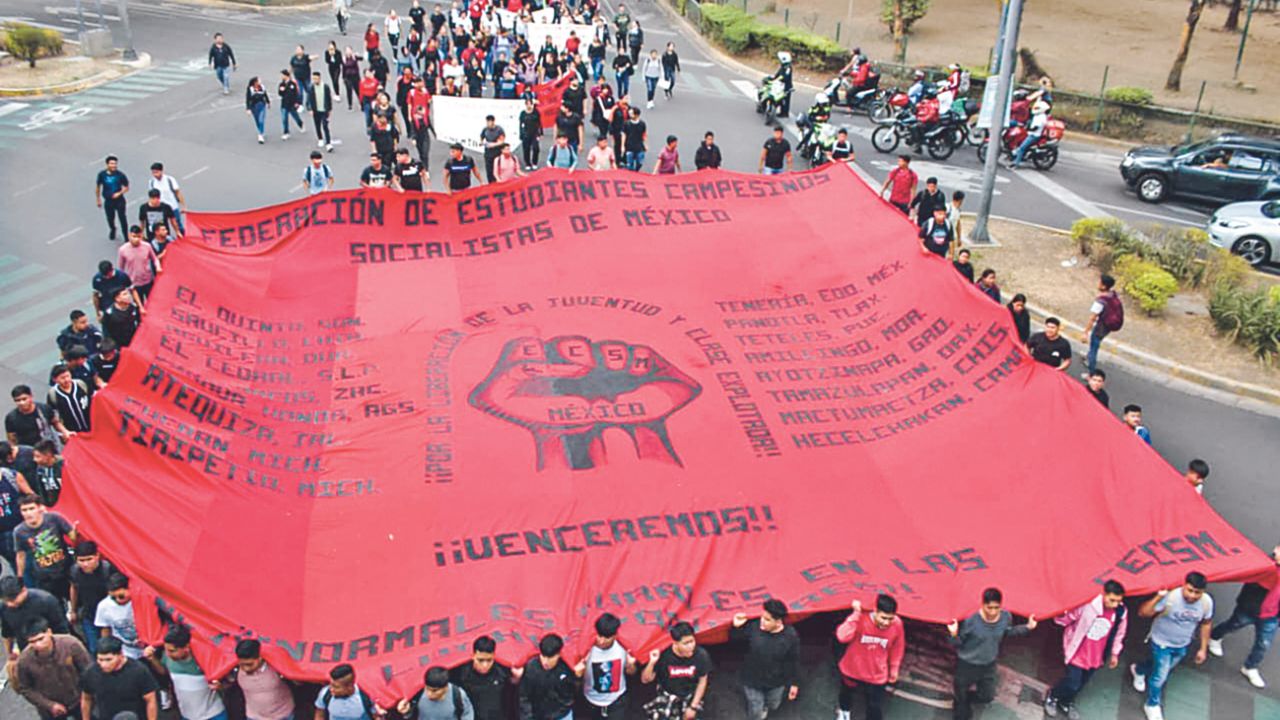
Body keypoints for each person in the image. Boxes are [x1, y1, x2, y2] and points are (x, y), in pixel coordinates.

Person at [1131, 572, 1213, 720]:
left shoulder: (1206, 603)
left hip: (1182, 644)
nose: (1193, 596)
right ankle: (1152, 704)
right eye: (1190, 590)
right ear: (1184, 585)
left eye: (1197, 593)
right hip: (1161, 642)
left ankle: (1139, 669)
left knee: (1164, 667)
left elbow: (1206, 624)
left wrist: (1203, 648)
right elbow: (1143, 612)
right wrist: (1158, 597)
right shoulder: (1171, 598)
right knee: (1160, 676)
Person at [946, 587, 1036, 720]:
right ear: (983, 605)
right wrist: (953, 634)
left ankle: (966, 699)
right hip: (967, 664)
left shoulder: (1006, 616)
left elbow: (1007, 632)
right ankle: (961, 705)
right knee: (961, 704)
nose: (993, 612)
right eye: (990, 608)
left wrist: (1027, 627)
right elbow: (957, 643)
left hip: (989, 664)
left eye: (996, 608)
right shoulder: (970, 621)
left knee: (987, 696)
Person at [1207, 542, 1280, 688]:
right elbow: (1251, 581)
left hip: (1271, 615)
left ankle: (1250, 667)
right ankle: (1215, 636)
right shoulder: (1265, 566)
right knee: (1233, 624)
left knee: (1263, 644)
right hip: (1250, 609)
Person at [834, 595, 904, 720]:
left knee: (874, 706)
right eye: (883, 618)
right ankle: (844, 713)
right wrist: (856, 614)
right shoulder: (860, 618)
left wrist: (894, 668)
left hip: (876, 674)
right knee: (846, 693)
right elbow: (842, 636)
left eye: (890, 619)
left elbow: (897, 647)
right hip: (852, 669)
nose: (886, 623)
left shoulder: (897, 624)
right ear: (875, 611)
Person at [731, 599, 799, 720]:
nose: (762, 621)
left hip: (776, 682)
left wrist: (794, 683)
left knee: (773, 704)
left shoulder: (790, 636)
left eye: (767, 620)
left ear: (778, 622)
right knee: (756, 710)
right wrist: (736, 627)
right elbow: (735, 641)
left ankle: (766, 708)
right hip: (752, 680)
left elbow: (793, 660)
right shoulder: (754, 627)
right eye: (762, 617)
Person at [16, 616, 92, 720]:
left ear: (49, 632)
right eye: (32, 642)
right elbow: (25, 688)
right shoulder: (24, 661)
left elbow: (88, 671)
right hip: (51, 709)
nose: (38, 645)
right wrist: (49, 705)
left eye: (40, 639)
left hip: (80, 699)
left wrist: (86, 697)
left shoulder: (70, 644)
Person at [144, 625, 226, 720]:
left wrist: (220, 686)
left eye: (172, 651)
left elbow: (224, 681)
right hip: (187, 716)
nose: (167, 654)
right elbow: (164, 671)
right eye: (166, 650)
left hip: (213, 715)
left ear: (186, 647)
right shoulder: (168, 657)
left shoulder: (203, 659)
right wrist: (152, 659)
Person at [641, 622, 711, 720]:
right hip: (667, 697)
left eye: (692, 641)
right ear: (675, 643)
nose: (691, 646)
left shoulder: (701, 655)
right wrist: (652, 662)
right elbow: (645, 680)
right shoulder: (665, 655)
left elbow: (702, 681)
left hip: (690, 697)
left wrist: (693, 707)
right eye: (685, 643)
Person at [80, 636, 159, 720]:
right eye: (100, 660)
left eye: (108, 659)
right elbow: (86, 699)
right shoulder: (91, 672)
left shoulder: (139, 671)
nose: (104, 664)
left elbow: (150, 700)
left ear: (120, 654)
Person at [12, 495, 76, 596]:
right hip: (44, 576)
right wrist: (20, 577)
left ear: (39, 508)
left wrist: (74, 531)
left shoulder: (54, 518)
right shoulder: (19, 531)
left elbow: (72, 537)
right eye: (24, 510)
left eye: (31, 508)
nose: (28, 513)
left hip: (65, 568)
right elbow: (20, 555)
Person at [217, 638, 294, 720]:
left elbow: (295, 679)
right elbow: (227, 683)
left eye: (249, 664)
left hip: (283, 715)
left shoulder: (277, 666)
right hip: (254, 717)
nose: (245, 668)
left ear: (259, 658)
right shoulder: (234, 669)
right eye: (241, 664)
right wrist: (219, 685)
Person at [579, 613, 636, 718]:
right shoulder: (585, 650)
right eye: (599, 636)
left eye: (606, 638)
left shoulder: (623, 648)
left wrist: (631, 665)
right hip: (590, 701)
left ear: (614, 636)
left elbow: (631, 672)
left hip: (617, 702)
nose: (601, 641)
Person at [451, 635, 520, 720]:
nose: (485, 665)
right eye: (480, 660)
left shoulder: (503, 672)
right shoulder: (460, 673)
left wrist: (518, 680)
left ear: (494, 656)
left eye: (489, 660)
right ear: (473, 655)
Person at [2, 576, 71, 655]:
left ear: (24, 590)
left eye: (13, 599)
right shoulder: (4, 608)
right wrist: (10, 653)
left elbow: (62, 629)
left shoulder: (46, 601)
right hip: (27, 652)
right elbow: (7, 633)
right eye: (6, 601)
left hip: (52, 649)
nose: (10, 604)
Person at [69, 541, 114, 654]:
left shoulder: (107, 569)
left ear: (97, 556)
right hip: (89, 615)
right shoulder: (75, 571)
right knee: (94, 649)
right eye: (81, 560)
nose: (85, 564)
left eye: (89, 559)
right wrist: (73, 610)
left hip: (109, 617)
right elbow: (74, 588)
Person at [519, 634, 575, 720]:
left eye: (550, 657)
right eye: (543, 656)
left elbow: (569, 698)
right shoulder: (531, 668)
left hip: (560, 715)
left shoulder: (566, 669)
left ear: (558, 654)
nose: (545, 661)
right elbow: (524, 696)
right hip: (536, 715)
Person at [1080, 274, 1121, 377]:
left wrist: (1085, 333)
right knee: (1095, 343)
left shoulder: (1100, 301)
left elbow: (1092, 318)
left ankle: (1091, 373)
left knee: (1094, 346)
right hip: (1108, 326)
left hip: (1101, 327)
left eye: (1099, 282)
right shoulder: (1112, 295)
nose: (1097, 284)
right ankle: (1088, 356)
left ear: (1103, 286)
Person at [396, 666, 474, 720]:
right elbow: (411, 714)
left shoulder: (457, 694)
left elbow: (467, 713)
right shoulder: (418, 692)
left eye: (434, 691)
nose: (429, 693)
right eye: (427, 688)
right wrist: (406, 712)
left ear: (445, 687)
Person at [94, 574, 142, 660]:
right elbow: (105, 629)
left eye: (121, 596)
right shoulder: (104, 606)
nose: (118, 600)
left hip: (147, 648)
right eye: (113, 598)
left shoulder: (142, 600)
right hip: (124, 650)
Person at [317, 663, 382, 720]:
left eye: (336, 687)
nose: (331, 689)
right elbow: (320, 715)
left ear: (349, 687)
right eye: (330, 684)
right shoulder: (325, 694)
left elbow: (377, 716)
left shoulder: (366, 696)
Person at [118, 225, 160, 300]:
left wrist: (158, 266)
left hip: (148, 280)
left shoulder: (147, 246)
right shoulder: (123, 250)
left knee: (152, 301)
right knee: (139, 305)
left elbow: (155, 259)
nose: (136, 239)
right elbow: (121, 268)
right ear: (129, 235)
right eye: (134, 236)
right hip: (134, 283)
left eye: (138, 236)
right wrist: (123, 284)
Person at [46, 365, 90, 434]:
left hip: (92, 428)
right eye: (62, 378)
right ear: (55, 379)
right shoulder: (53, 394)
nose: (66, 380)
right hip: (72, 433)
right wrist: (64, 432)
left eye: (68, 376)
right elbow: (55, 418)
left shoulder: (81, 385)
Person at [146, 162, 187, 236]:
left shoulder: (170, 180)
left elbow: (178, 193)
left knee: (177, 224)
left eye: (157, 172)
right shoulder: (152, 182)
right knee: (162, 226)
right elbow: (151, 196)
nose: (155, 174)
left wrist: (183, 206)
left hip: (172, 206)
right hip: (160, 208)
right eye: (153, 173)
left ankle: (182, 238)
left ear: (161, 171)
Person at [95, 156, 129, 241]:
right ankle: (113, 229)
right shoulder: (102, 175)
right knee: (110, 218)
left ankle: (126, 236)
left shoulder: (120, 175)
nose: (114, 165)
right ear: (107, 164)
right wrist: (98, 199)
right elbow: (98, 187)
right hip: (108, 200)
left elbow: (126, 187)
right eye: (112, 163)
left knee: (122, 218)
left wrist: (119, 193)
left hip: (119, 200)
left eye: (115, 164)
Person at [1010, 101, 1049, 169]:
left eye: (1037, 107)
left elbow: (1035, 128)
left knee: (1022, 148)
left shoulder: (1042, 117)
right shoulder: (1037, 115)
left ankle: (1015, 163)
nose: (1035, 108)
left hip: (1034, 135)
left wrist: (1028, 129)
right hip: (1030, 133)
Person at [30, 441, 64, 509]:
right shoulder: (40, 469)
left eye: (38, 456)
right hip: (52, 505)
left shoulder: (63, 465)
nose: (35, 460)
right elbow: (41, 489)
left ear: (48, 455)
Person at [308, 71, 335, 151]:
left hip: (324, 110)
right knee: (317, 125)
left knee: (325, 125)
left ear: (319, 78)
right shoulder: (311, 87)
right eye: (313, 78)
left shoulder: (325, 87)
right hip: (316, 110)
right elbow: (309, 99)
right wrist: (310, 109)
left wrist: (329, 109)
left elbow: (328, 99)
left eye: (316, 78)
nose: (314, 80)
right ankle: (320, 138)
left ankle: (328, 143)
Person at [277, 69, 305, 140]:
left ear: (286, 76)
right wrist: (281, 90)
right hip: (284, 104)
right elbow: (280, 93)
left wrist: (297, 102)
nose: (281, 77)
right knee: (284, 119)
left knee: (295, 116)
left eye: (282, 75)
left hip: (292, 104)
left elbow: (296, 93)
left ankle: (300, 124)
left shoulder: (292, 84)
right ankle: (286, 132)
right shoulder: (281, 84)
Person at [480, 115, 506, 183]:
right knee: (489, 171)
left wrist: (493, 145)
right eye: (487, 122)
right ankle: (491, 184)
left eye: (489, 122)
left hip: (497, 152)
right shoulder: (485, 129)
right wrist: (482, 142)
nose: (488, 124)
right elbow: (481, 137)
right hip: (488, 153)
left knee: (497, 169)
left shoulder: (499, 129)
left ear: (493, 121)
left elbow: (502, 141)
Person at [245, 76, 271, 144]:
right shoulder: (250, 89)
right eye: (259, 80)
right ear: (255, 82)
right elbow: (248, 99)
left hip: (262, 105)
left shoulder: (262, 87)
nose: (260, 81)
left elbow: (265, 94)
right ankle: (261, 130)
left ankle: (260, 135)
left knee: (261, 120)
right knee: (257, 121)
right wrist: (248, 108)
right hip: (254, 106)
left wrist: (268, 102)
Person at [518, 98, 542, 171]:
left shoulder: (536, 112)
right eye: (527, 104)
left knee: (536, 148)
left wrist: (540, 133)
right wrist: (521, 133)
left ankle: (534, 162)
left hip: (534, 133)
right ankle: (527, 163)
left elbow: (539, 123)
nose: (529, 106)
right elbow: (521, 124)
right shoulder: (523, 113)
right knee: (526, 149)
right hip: (526, 133)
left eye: (530, 104)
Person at [769, 51, 794, 116]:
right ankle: (781, 111)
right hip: (781, 85)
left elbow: (786, 77)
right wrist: (773, 78)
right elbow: (778, 73)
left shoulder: (788, 68)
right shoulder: (783, 67)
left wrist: (780, 78)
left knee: (785, 101)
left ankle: (785, 113)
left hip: (786, 87)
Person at [622, 107, 647, 171]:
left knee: (640, 162)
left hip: (639, 146)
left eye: (632, 113)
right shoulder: (626, 124)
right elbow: (624, 135)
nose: (630, 114)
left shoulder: (642, 124)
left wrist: (646, 144)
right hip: (629, 146)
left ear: (637, 115)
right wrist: (622, 146)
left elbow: (644, 134)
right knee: (629, 164)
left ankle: (636, 170)